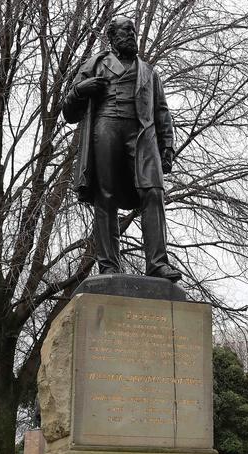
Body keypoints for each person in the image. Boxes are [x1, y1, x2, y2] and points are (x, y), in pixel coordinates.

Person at [63, 16, 181, 282]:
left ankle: (158, 263)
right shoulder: (94, 65)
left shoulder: (149, 72)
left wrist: (168, 146)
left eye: (133, 31)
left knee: (153, 192)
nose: (131, 35)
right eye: (126, 31)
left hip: (142, 134)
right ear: (112, 37)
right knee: (105, 196)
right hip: (106, 129)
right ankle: (108, 266)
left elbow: (162, 112)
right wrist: (81, 89)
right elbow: (68, 113)